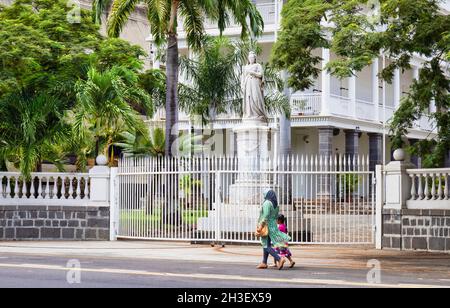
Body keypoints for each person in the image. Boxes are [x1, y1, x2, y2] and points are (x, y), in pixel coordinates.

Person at [256, 190, 291, 270]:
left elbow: (266, 215)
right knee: (266, 243)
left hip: (266, 225)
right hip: (273, 225)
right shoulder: (275, 204)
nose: (264, 195)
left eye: (265, 193)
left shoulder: (267, 203)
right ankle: (264, 262)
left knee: (266, 245)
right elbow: (274, 216)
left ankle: (279, 259)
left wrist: (261, 225)